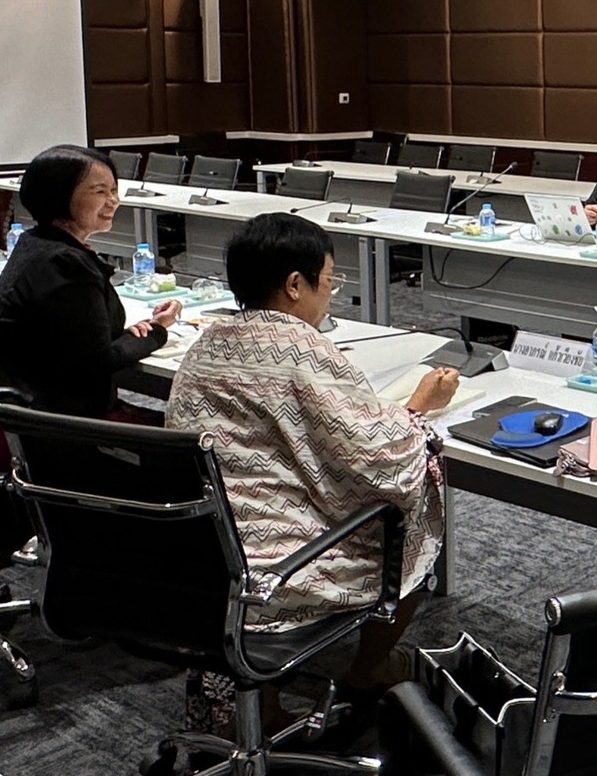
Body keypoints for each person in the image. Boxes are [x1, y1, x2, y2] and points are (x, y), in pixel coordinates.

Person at [166, 213, 456, 700]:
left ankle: (263, 704)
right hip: (272, 572)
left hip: (198, 555)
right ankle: (366, 671)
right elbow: (379, 460)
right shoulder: (302, 350)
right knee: (409, 527)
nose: (331, 296)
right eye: (329, 282)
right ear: (295, 285)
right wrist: (419, 406)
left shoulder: (206, 343)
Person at [0, 145, 180, 469]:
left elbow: (72, 340)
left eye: (114, 190)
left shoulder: (37, 243)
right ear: (58, 195)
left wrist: (123, 335)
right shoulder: (64, 263)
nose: (113, 201)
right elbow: (98, 361)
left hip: (7, 415)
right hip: (27, 432)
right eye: (100, 191)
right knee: (187, 445)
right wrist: (157, 331)